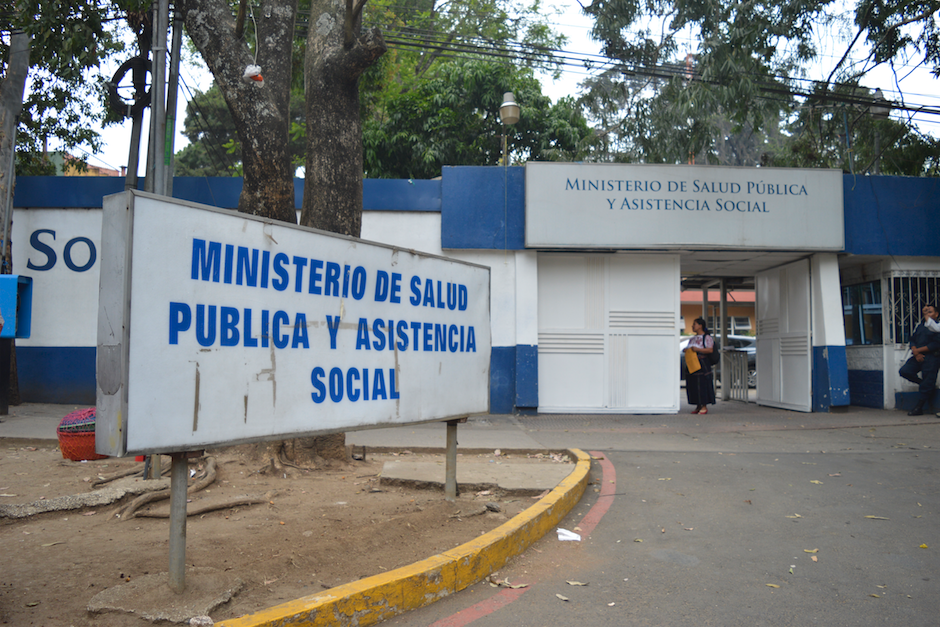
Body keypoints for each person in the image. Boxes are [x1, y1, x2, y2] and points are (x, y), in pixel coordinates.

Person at [898, 304, 940, 416]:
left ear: (936, 314)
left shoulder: (937, 327)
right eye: (926, 312)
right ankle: (923, 385)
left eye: (930, 312)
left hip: (931, 358)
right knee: (905, 371)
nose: (927, 314)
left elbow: (935, 344)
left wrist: (918, 351)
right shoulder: (920, 326)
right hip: (918, 356)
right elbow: (913, 339)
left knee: (928, 382)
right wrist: (915, 351)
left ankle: (919, 408)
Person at [684, 317, 716, 414]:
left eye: (694, 324)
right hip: (692, 362)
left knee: (702, 384)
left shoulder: (707, 338)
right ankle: (698, 405)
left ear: (700, 326)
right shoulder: (692, 338)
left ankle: (704, 406)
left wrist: (697, 350)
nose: (692, 326)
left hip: (702, 363)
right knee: (693, 384)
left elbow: (710, 350)